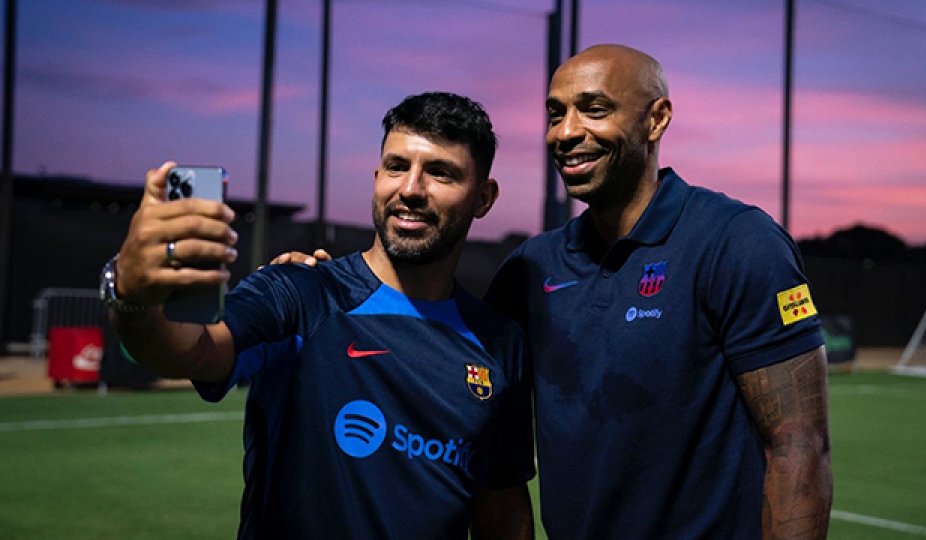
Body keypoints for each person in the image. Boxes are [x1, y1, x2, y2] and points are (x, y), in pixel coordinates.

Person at [281, 45, 833, 539]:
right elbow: (448, 370)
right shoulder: (531, 267)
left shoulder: (736, 241)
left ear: (656, 119)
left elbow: (798, 444)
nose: (565, 132)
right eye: (555, 114)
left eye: (594, 109)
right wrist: (330, 287)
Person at [99, 92, 535, 540]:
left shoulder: (500, 343)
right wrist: (131, 292)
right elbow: (186, 350)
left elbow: (501, 506)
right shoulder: (302, 291)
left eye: (440, 173)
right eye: (397, 166)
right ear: (377, 176)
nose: (410, 189)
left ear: (483, 197)